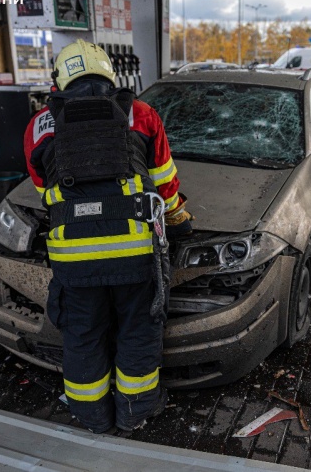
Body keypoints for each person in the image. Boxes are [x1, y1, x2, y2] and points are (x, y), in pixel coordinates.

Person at [24, 39, 193, 434]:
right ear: (108, 75)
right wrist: (179, 219)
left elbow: (42, 189)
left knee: (82, 336)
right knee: (138, 332)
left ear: (60, 80)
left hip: (74, 260)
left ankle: (92, 417)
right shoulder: (142, 114)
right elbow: (165, 182)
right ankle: (134, 412)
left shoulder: (38, 125)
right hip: (135, 253)